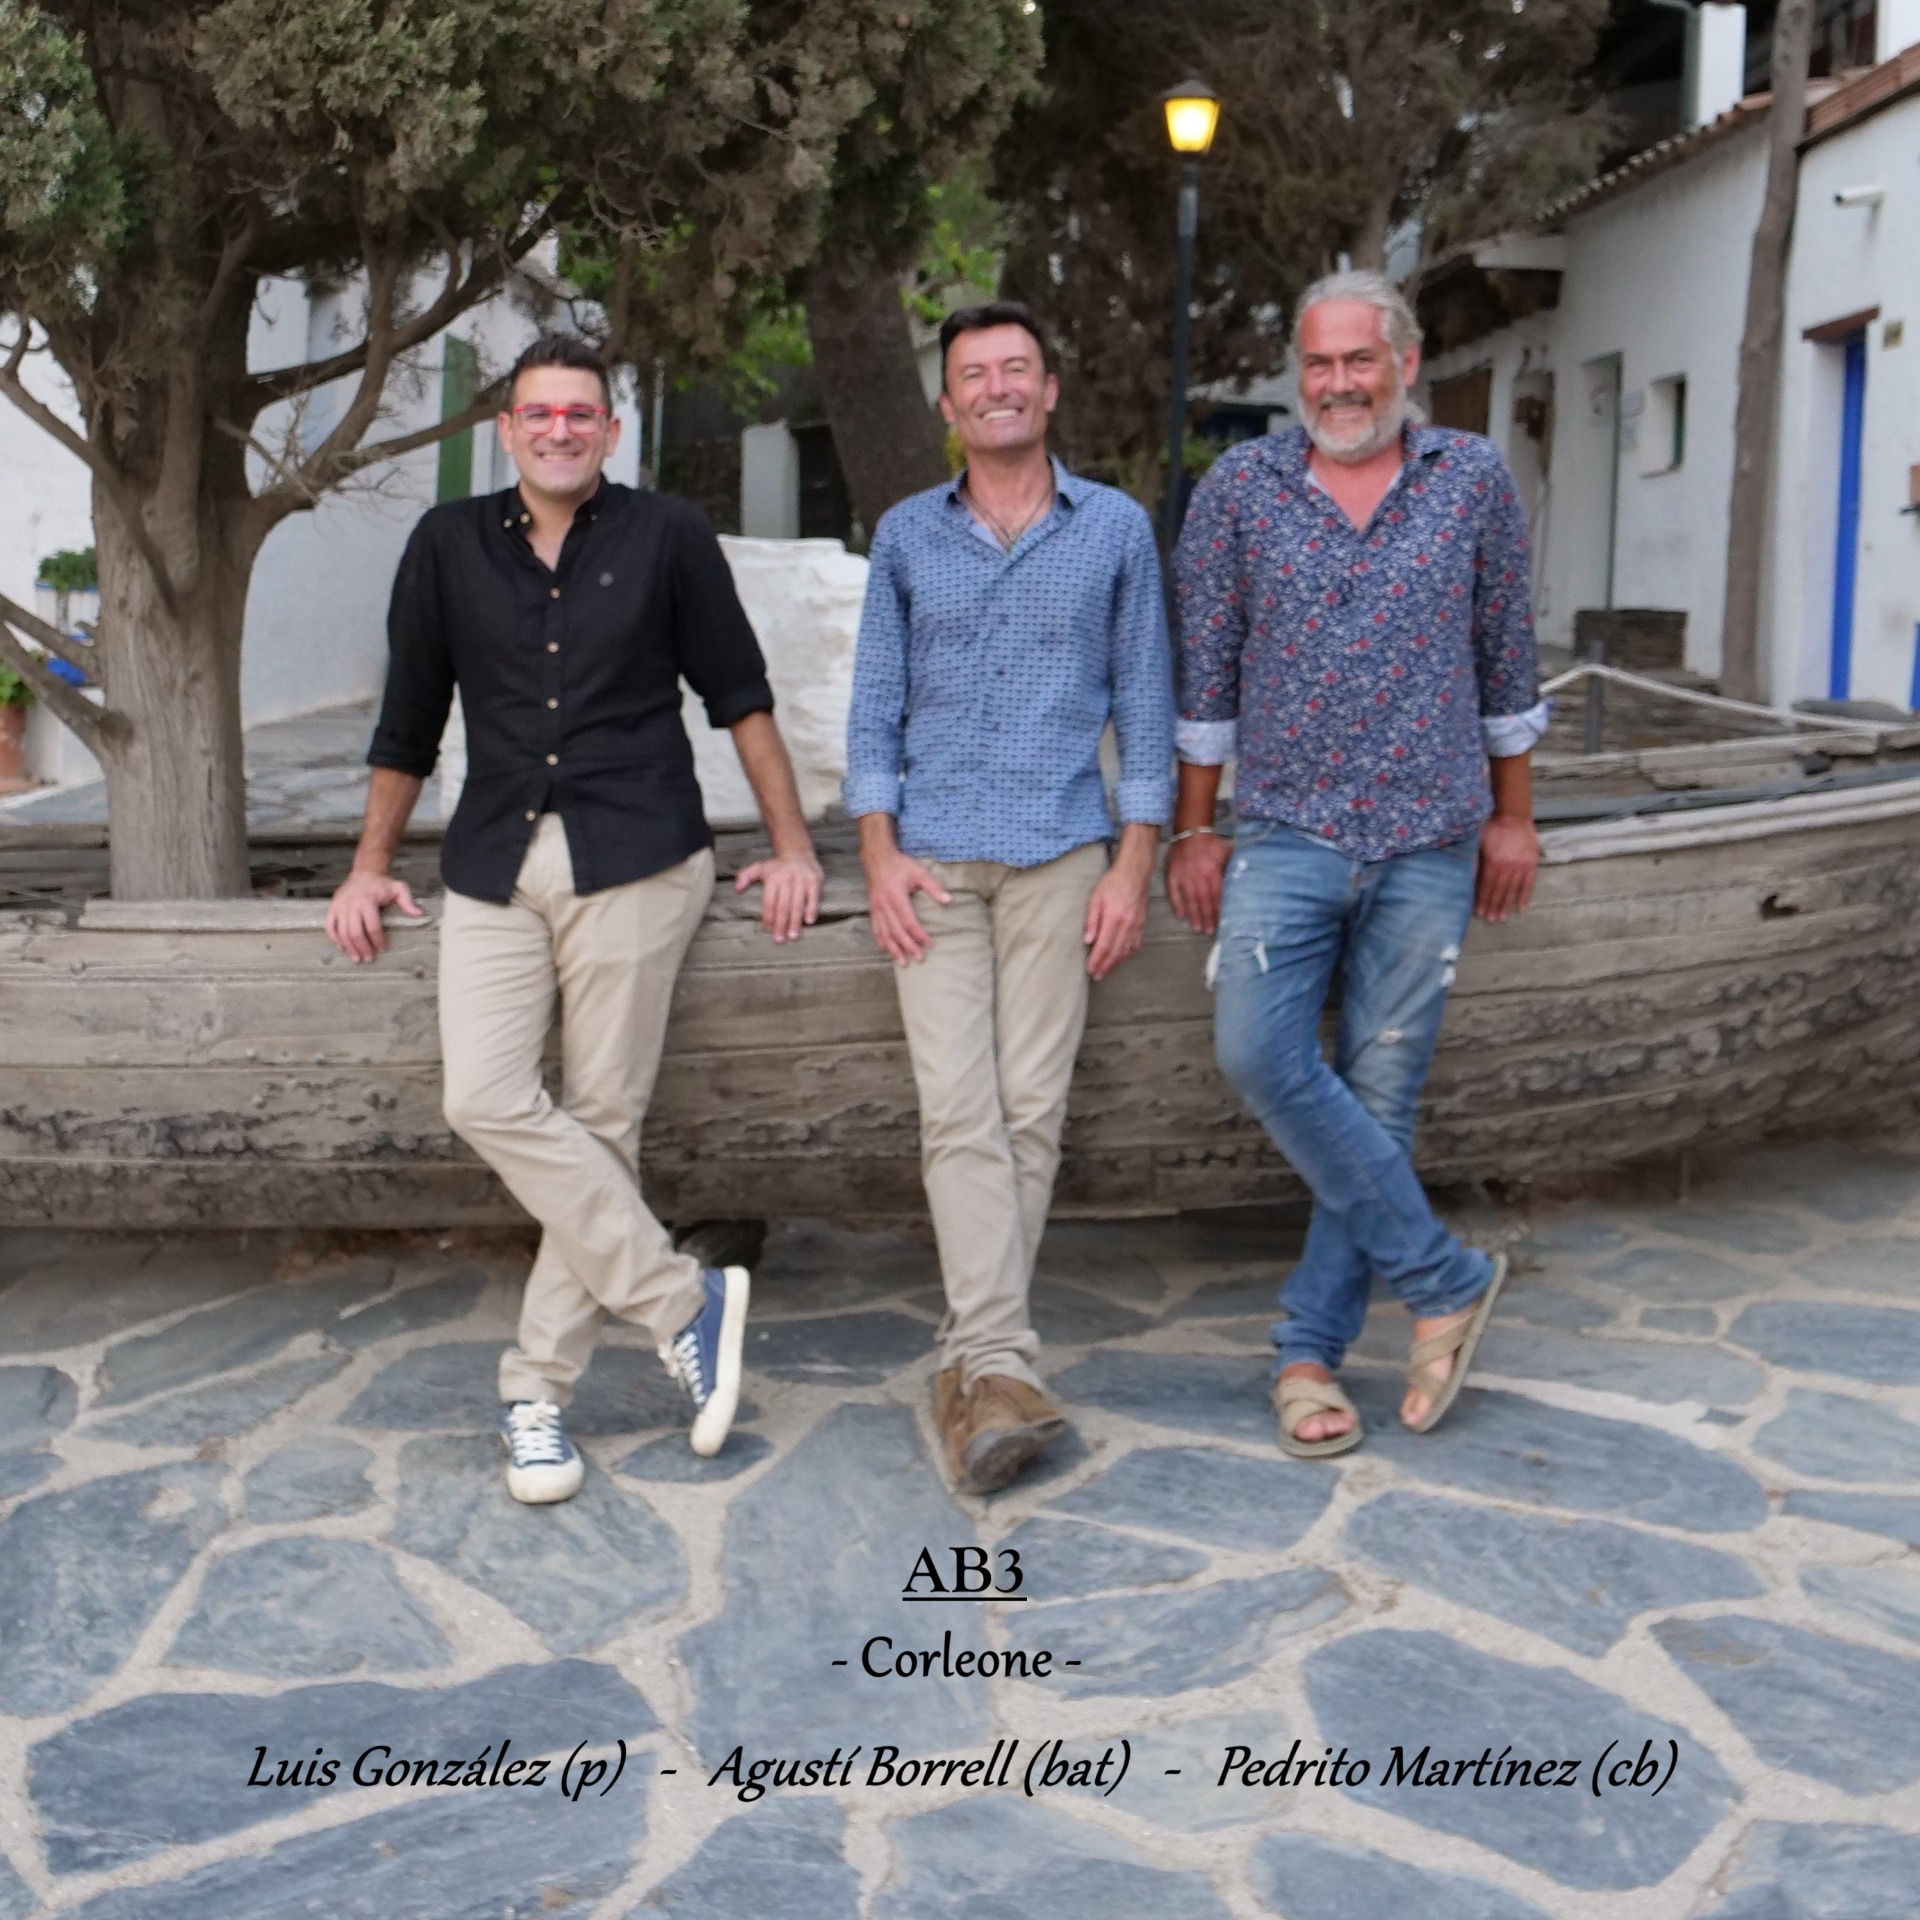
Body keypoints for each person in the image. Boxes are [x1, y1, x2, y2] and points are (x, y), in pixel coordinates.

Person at [325, 333, 822, 1503]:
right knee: (483, 1095)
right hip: (495, 857)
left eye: (580, 414)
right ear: (508, 430)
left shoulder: (669, 536)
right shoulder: (446, 544)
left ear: (611, 430)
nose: (560, 430)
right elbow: (408, 720)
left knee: (603, 1120)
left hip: (638, 849)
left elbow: (741, 699)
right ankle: (681, 1300)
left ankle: (535, 1394)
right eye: (539, 414)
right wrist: (367, 865)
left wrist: (794, 845)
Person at [1166, 269, 1547, 1460]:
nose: (1338, 385)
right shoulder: (1242, 488)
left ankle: (1306, 1353)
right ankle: (1445, 1278)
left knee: (1381, 1099)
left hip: (1432, 836)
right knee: (1257, 1050)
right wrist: (1195, 828)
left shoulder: (1471, 479)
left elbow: (1506, 660)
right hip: (1286, 831)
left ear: (1406, 363)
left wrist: (1514, 817)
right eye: (1319, 364)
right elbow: (1206, 676)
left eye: (1359, 361)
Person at [846, 300, 1174, 1494]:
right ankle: (995, 1366)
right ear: (949, 404)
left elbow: (1147, 709)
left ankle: (975, 1366)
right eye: (974, 373)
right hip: (932, 863)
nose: (997, 387)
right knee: (958, 1110)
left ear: (1049, 391)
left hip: (1060, 857)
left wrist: (1134, 864)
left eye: (1016, 368)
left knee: (1032, 1110)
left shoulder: (1116, 529)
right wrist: (878, 856)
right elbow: (872, 713)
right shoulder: (905, 536)